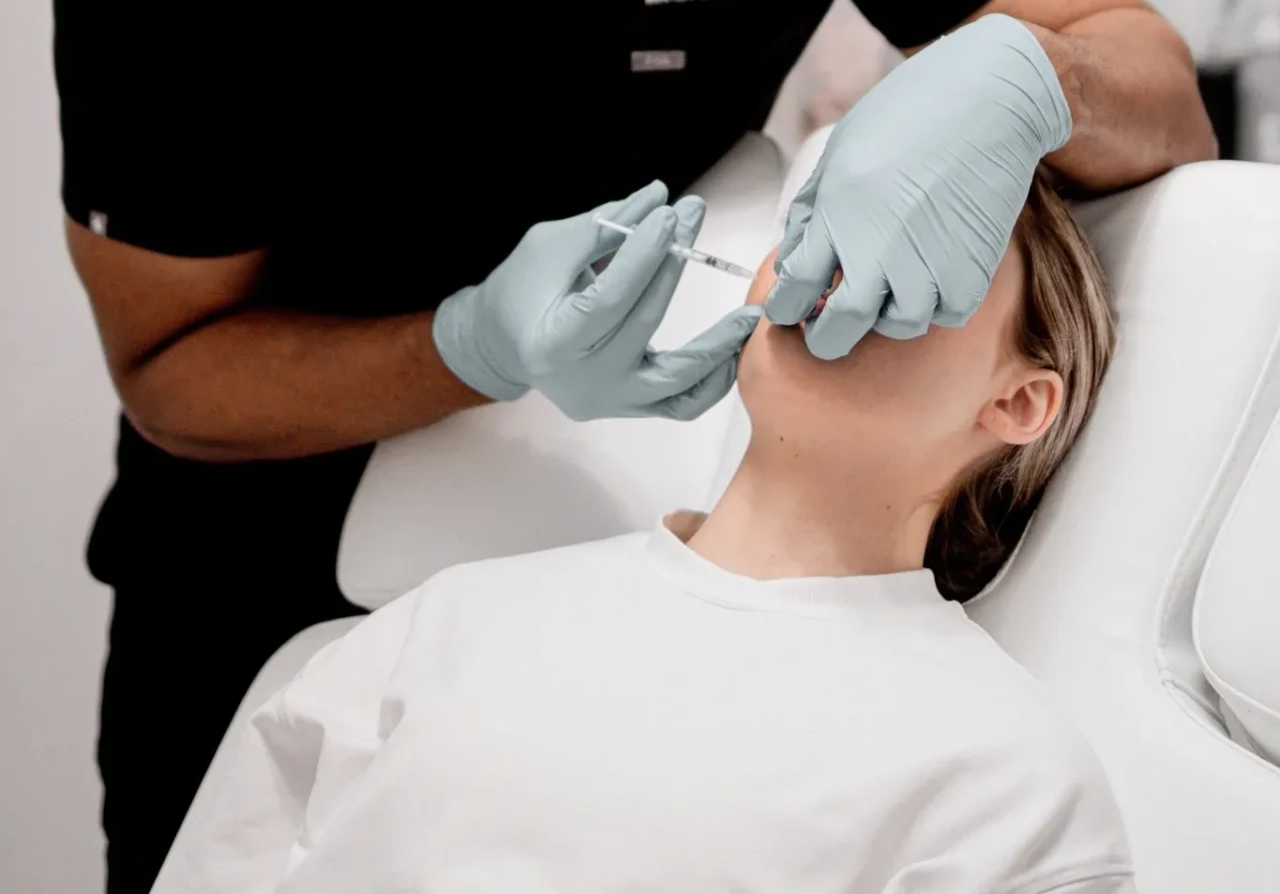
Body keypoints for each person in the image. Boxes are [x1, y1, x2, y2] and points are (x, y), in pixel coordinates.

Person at [54, 0, 1212, 890]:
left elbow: (1155, 90)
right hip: (267, 561)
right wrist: (472, 347)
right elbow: (170, 371)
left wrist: (1036, 79)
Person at [153, 169, 1130, 894]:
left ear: (1017, 402)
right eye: (826, 216)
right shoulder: (448, 619)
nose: (842, 257)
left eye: (925, 238)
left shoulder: (1005, 772)